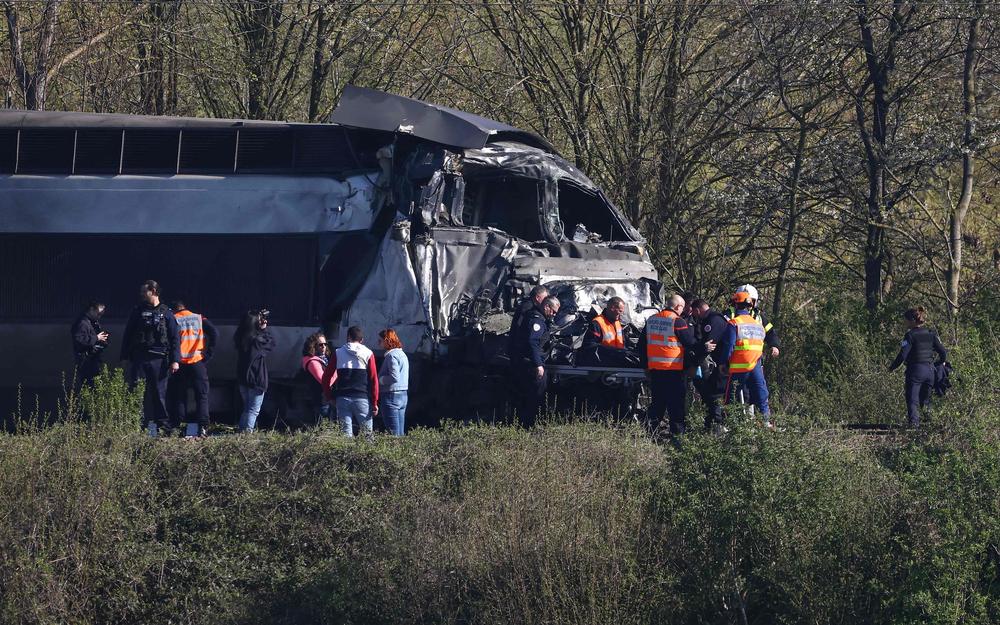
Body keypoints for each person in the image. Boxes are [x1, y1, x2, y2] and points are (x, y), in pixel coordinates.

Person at [120, 280, 180, 436]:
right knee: (137, 394)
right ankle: (136, 428)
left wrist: (175, 360)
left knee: (159, 395)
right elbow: (128, 335)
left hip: (159, 360)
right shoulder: (137, 311)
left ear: (153, 291)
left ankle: (164, 429)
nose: (141, 295)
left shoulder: (167, 313)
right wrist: (125, 357)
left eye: (144, 292)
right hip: (140, 358)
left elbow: (175, 338)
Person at [638, 293, 697, 435]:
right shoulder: (677, 321)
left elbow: (640, 346)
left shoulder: (652, 320)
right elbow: (690, 344)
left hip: (656, 371)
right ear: (678, 306)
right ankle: (678, 439)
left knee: (657, 404)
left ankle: (650, 434)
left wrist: (646, 367)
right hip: (674, 371)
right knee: (676, 407)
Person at [718, 291, 771, 425]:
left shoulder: (734, 323)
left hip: (738, 368)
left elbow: (729, 346)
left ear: (735, 305)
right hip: (756, 367)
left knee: (731, 398)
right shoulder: (758, 325)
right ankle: (765, 423)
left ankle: (728, 426)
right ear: (750, 306)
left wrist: (723, 363)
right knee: (761, 396)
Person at [889, 307, 947, 428]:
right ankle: (930, 426)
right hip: (930, 371)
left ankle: (914, 428)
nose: (904, 323)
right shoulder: (931, 334)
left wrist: (892, 367)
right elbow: (943, 352)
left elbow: (902, 355)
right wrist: (939, 363)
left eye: (905, 320)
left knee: (912, 400)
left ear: (911, 320)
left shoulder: (909, 335)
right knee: (926, 401)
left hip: (915, 371)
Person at [167, 300, 218, 438]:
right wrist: (207, 355)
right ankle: (203, 428)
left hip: (180, 364)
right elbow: (214, 333)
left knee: (179, 396)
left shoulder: (173, 319)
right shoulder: (198, 317)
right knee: (201, 396)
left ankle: (178, 427)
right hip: (197, 362)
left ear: (175, 310)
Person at [509, 294, 560, 427]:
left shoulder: (541, 319)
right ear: (547, 306)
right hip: (531, 364)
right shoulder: (537, 320)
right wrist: (538, 365)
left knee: (536, 395)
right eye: (553, 311)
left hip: (533, 362)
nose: (554, 315)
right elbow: (533, 342)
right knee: (535, 395)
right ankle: (528, 425)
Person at [322, 326, 379, 438]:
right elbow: (373, 379)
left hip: (342, 399)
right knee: (367, 436)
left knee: (345, 436)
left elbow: (326, 377)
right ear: (361, 340)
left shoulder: (338, 353)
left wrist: (329, 397)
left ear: (348, 337)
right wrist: (375, 402)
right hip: (362, 398)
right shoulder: (368, 353)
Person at [234, 309, 275, 433]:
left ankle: (241, 433)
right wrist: (264, 329)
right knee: (253, 410)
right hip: (256, 377)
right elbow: (271, 343)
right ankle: (247, 435)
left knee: (247, 408)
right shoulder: (257, 341)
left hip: (243, 377)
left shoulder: (241, 338)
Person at [690, 299, 727, 432]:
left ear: (698, 310)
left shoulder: (713, 320)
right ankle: (711, 424)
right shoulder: (710, 319)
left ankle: (717, 425)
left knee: (714, 394)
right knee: (710, 393)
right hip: (719, 363)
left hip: (722, 364)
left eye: (694, 312)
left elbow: (709, 346)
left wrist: (695, 363)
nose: (694, 315)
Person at [724, 284, 780, 359]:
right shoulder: (728, 315)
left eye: (750, 300)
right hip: (733, 360)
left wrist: (774, 345)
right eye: (743, 301)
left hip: (755, 360)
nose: (747, 303)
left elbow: (770, 333)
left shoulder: (759, 317)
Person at [70, 300, 109, 392]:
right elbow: (79, 340)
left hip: (93, 359)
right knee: (89, 388)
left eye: (101, 315)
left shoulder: (93, 322)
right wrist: (96, 338)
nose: (99, 316)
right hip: (86, 361)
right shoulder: (82, 323)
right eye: (98, 313)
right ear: (91, 309)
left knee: (96, 387)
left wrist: (102, 341)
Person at [378, 328, 409, 436]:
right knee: (400, 432)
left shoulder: (391, 356)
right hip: (403, 395)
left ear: (387, 341)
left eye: (380, 340)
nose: (378, 343)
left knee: (393, 433)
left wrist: (380, 380)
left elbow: (394, 377)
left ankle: (395, 452)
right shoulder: (403, 354)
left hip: (391, 396)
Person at [507, 285, 550, 357]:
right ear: (537, 297)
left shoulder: (530, 306)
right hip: (519, 351)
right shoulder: (527, 307)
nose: (546, 301)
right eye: (545, 298)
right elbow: (519, 327)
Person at [300, 332, 333, 425]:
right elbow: (324, 381)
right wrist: (336, 373)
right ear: (313, 346)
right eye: (320, 344)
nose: (323, 346)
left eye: (325, 344)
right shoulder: (312, 362)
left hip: (326, 399)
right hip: (320, 400)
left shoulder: (324, 359)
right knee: (323, 428)